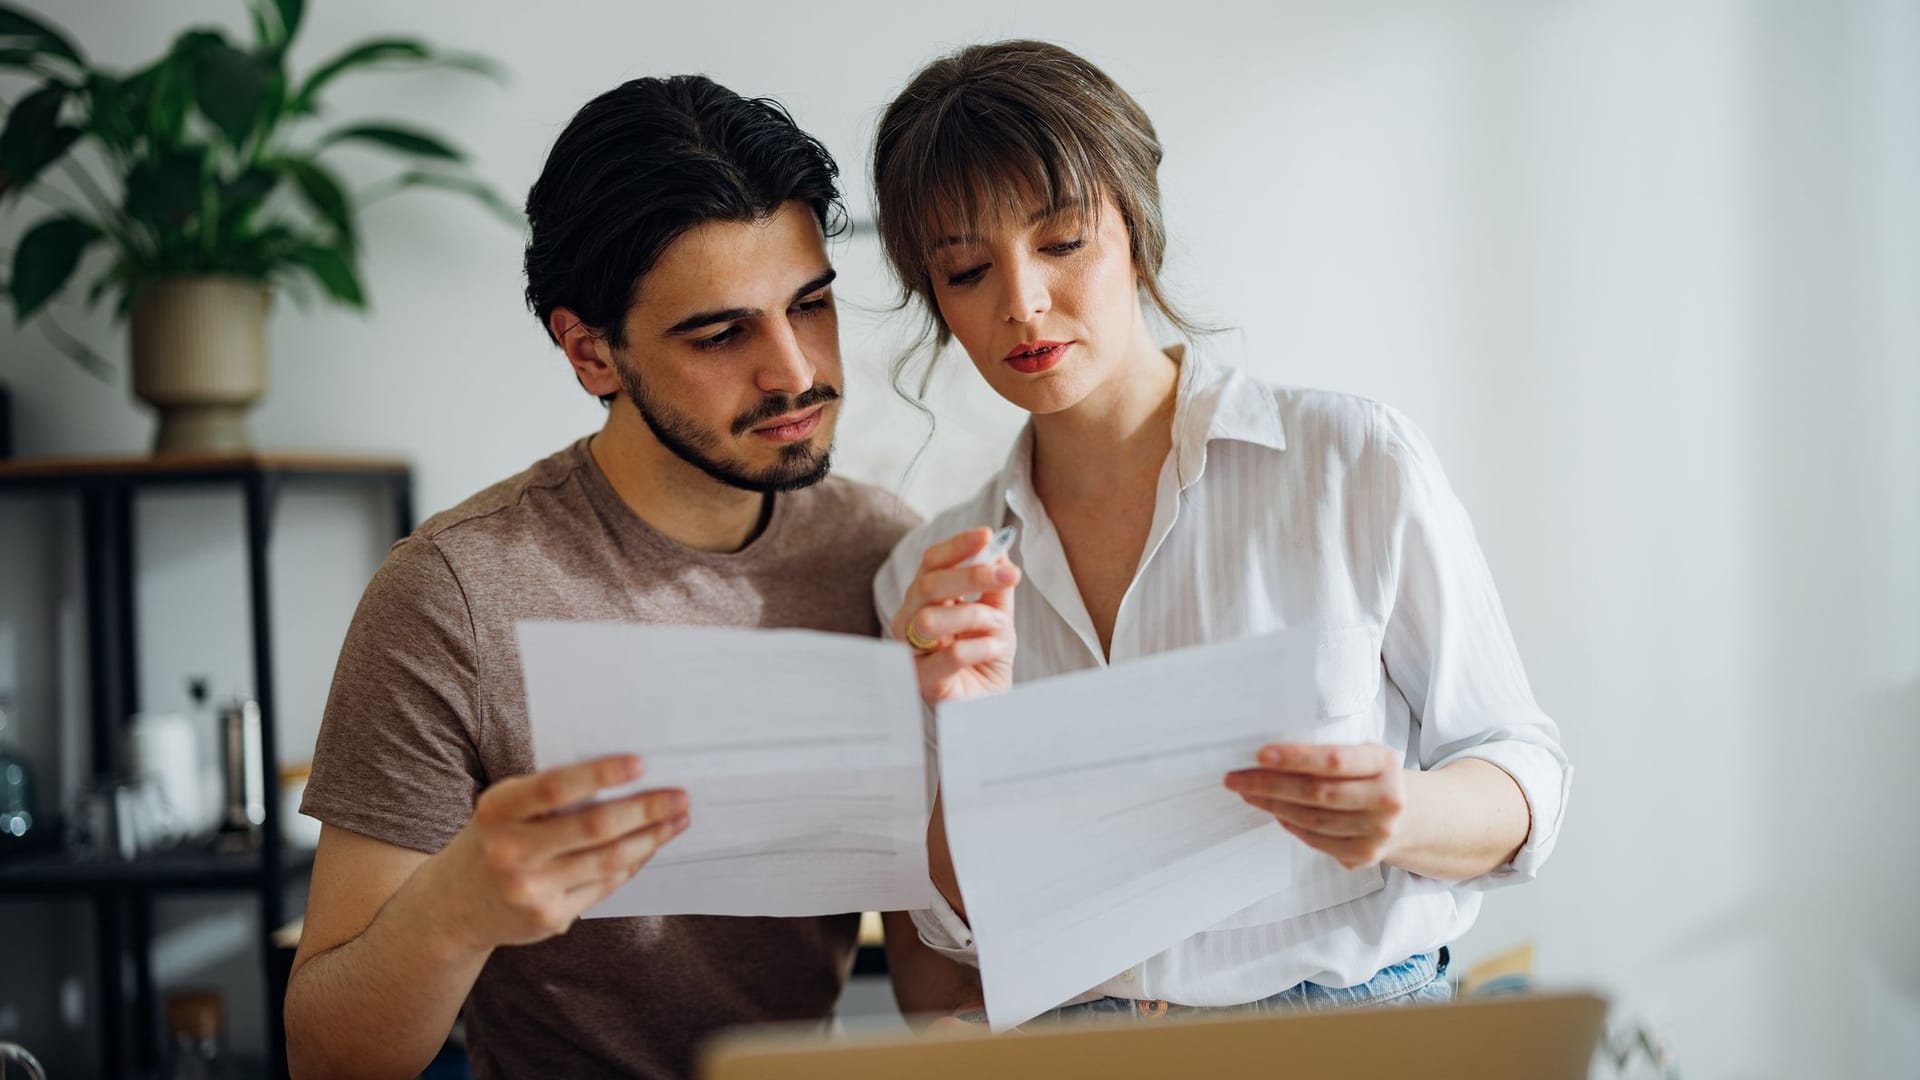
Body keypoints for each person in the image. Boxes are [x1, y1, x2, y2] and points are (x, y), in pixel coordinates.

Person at [285, 74, 981, 1080]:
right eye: (722, 334)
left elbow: (934, 996)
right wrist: (461, 905)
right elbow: (327, 1059)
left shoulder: (883, 557)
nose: (794, 370)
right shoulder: (455, 595)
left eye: (811, 306)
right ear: (590, 352)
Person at [871, 40, 1570, 1023]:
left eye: (1063, 242)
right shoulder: (930, 578)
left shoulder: (1350, 461)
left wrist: (1402, 815)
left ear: (1137, 228)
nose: (1022, 302)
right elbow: (941, 943)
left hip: (1353, 1025)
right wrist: (960, 737)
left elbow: (1523, 769)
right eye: (968, 270)